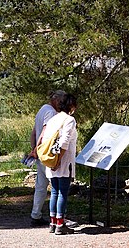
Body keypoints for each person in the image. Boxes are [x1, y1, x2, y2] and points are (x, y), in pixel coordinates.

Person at [44, 92, 77, 235]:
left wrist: (53, 160)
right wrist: (59, 160)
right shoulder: (69, 120)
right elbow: (64, 142)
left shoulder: (53, 119)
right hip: (63, 160)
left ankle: (52, 223)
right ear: (71, 105)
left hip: (51, 159)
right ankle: (60, 224)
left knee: (54, 192)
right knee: (63, 192)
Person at [28, 90, 63, 225]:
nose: (62, 104)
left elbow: (34, 132)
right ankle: (58, 217)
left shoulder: (42, 109)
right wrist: (38, 150)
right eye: (60, 101)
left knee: (41, 186)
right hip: (46, 154)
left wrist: (34, 150)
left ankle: (35, 215)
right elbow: (43, 132)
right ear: (55, 99)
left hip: (39, 154)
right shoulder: (51, 113)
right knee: (56, 186)